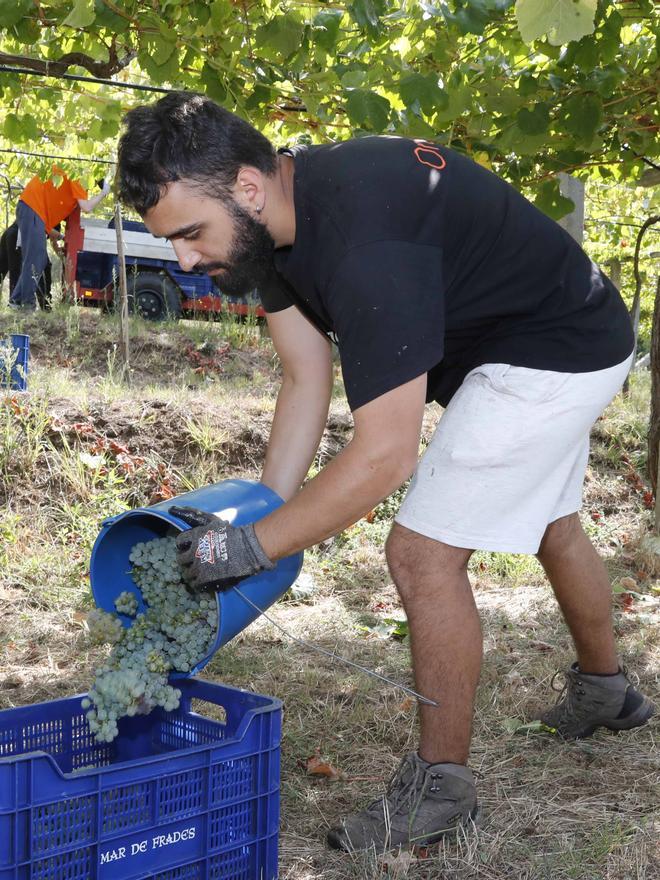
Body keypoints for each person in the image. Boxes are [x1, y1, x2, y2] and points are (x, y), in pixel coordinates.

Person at [116, 92, 655, 853]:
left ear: (245, 186)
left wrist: (249, 548)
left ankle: (442, 789)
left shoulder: (365, 242)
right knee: (550, 522)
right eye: (170, 241)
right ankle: (607, 693)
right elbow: (305, 376)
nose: (185, 260)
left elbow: (385, 455)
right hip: (543, 334)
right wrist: (260, 512)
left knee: (421, 553)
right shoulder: (270, 227)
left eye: (191, 235)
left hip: (554, 350)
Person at [9, 168, 110, 310]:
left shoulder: (75, 179)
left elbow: (50, 229)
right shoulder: (78, 173)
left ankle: (16, 300)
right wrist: (103, 193)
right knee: (35, 259)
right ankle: (26, 304)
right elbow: (86, 207)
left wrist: (62, 237)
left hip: (33, 210)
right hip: (33, 207)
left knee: (39, 259)